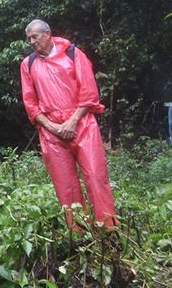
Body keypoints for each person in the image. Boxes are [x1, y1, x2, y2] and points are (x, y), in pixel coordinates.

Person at [20, 19, 117, 230]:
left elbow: (89, 93)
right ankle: (79, 237)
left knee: (95, 178)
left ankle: (109, 232)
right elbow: (31, 103)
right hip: (51, 131)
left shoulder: (73, 54)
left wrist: (72, 121)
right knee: (66, 187)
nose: (31, 42)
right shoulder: (28, 65)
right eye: (28, 38)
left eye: (34, 36)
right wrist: (53, 127)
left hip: (82, 125)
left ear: (47, 34)